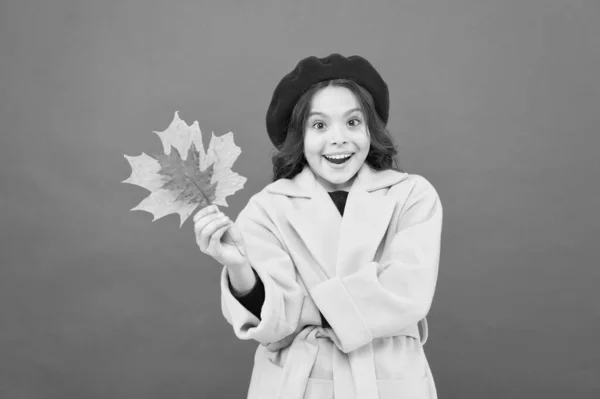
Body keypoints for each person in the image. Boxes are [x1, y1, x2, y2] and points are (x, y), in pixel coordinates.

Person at [193, 54, 443, 399]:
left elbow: (406, 294)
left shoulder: (412, 195)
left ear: (371, 128)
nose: (338, 139)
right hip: (297, 384)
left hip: (390, 380)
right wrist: (239, 267)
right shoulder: (267, 208)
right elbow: (274, 327)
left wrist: (302, 308)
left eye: (353, 122)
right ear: (299, 136)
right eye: (320, 126)